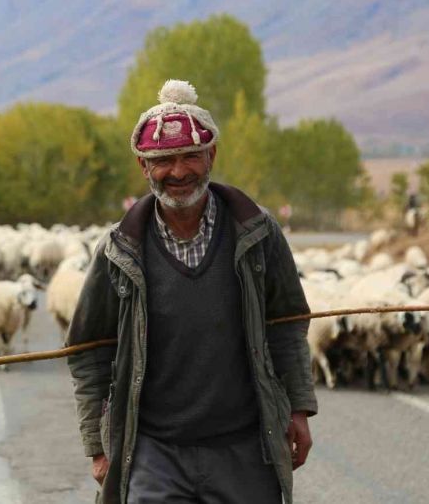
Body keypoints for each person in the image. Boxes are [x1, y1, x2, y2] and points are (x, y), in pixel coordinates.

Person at [67, 80, 317, 504]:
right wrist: (97, 445)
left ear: (211, 155)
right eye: (163, 160)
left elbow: (287, 325)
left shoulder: (257, 234)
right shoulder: (118, 251)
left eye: (190, 156)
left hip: (243, 447)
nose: (178, 172)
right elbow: (88, 350)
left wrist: (298, 408)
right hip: (153, 452)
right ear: (144, 166)